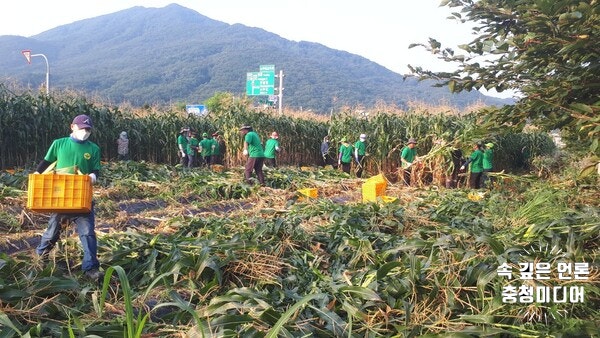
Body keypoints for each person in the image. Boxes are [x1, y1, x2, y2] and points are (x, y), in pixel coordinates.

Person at [34, 114, 101, 280]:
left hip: (82, 199)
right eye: (82, 128)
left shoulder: (93, 149)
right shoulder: (59, 144)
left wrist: (93, 176)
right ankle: (40, 258)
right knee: (52, 232)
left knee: (87, 234)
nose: (85, 132)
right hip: (61, 199)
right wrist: (37, 173)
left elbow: (96, 170)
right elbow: (46, 162)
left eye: (88, 129)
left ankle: (90, 268)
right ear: (73, 127)